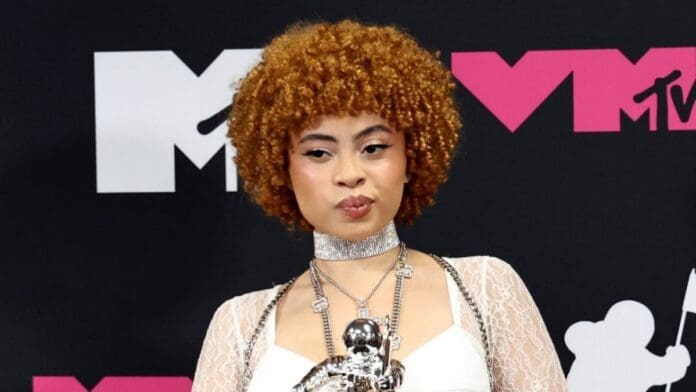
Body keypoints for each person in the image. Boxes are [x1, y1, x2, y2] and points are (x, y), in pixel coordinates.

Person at [192, 19, 567, 391]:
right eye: (319, 153)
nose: (350, 174)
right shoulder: (240, 326)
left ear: (411, 154)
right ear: (281, 169)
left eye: (373, 148)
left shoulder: (486, 288)